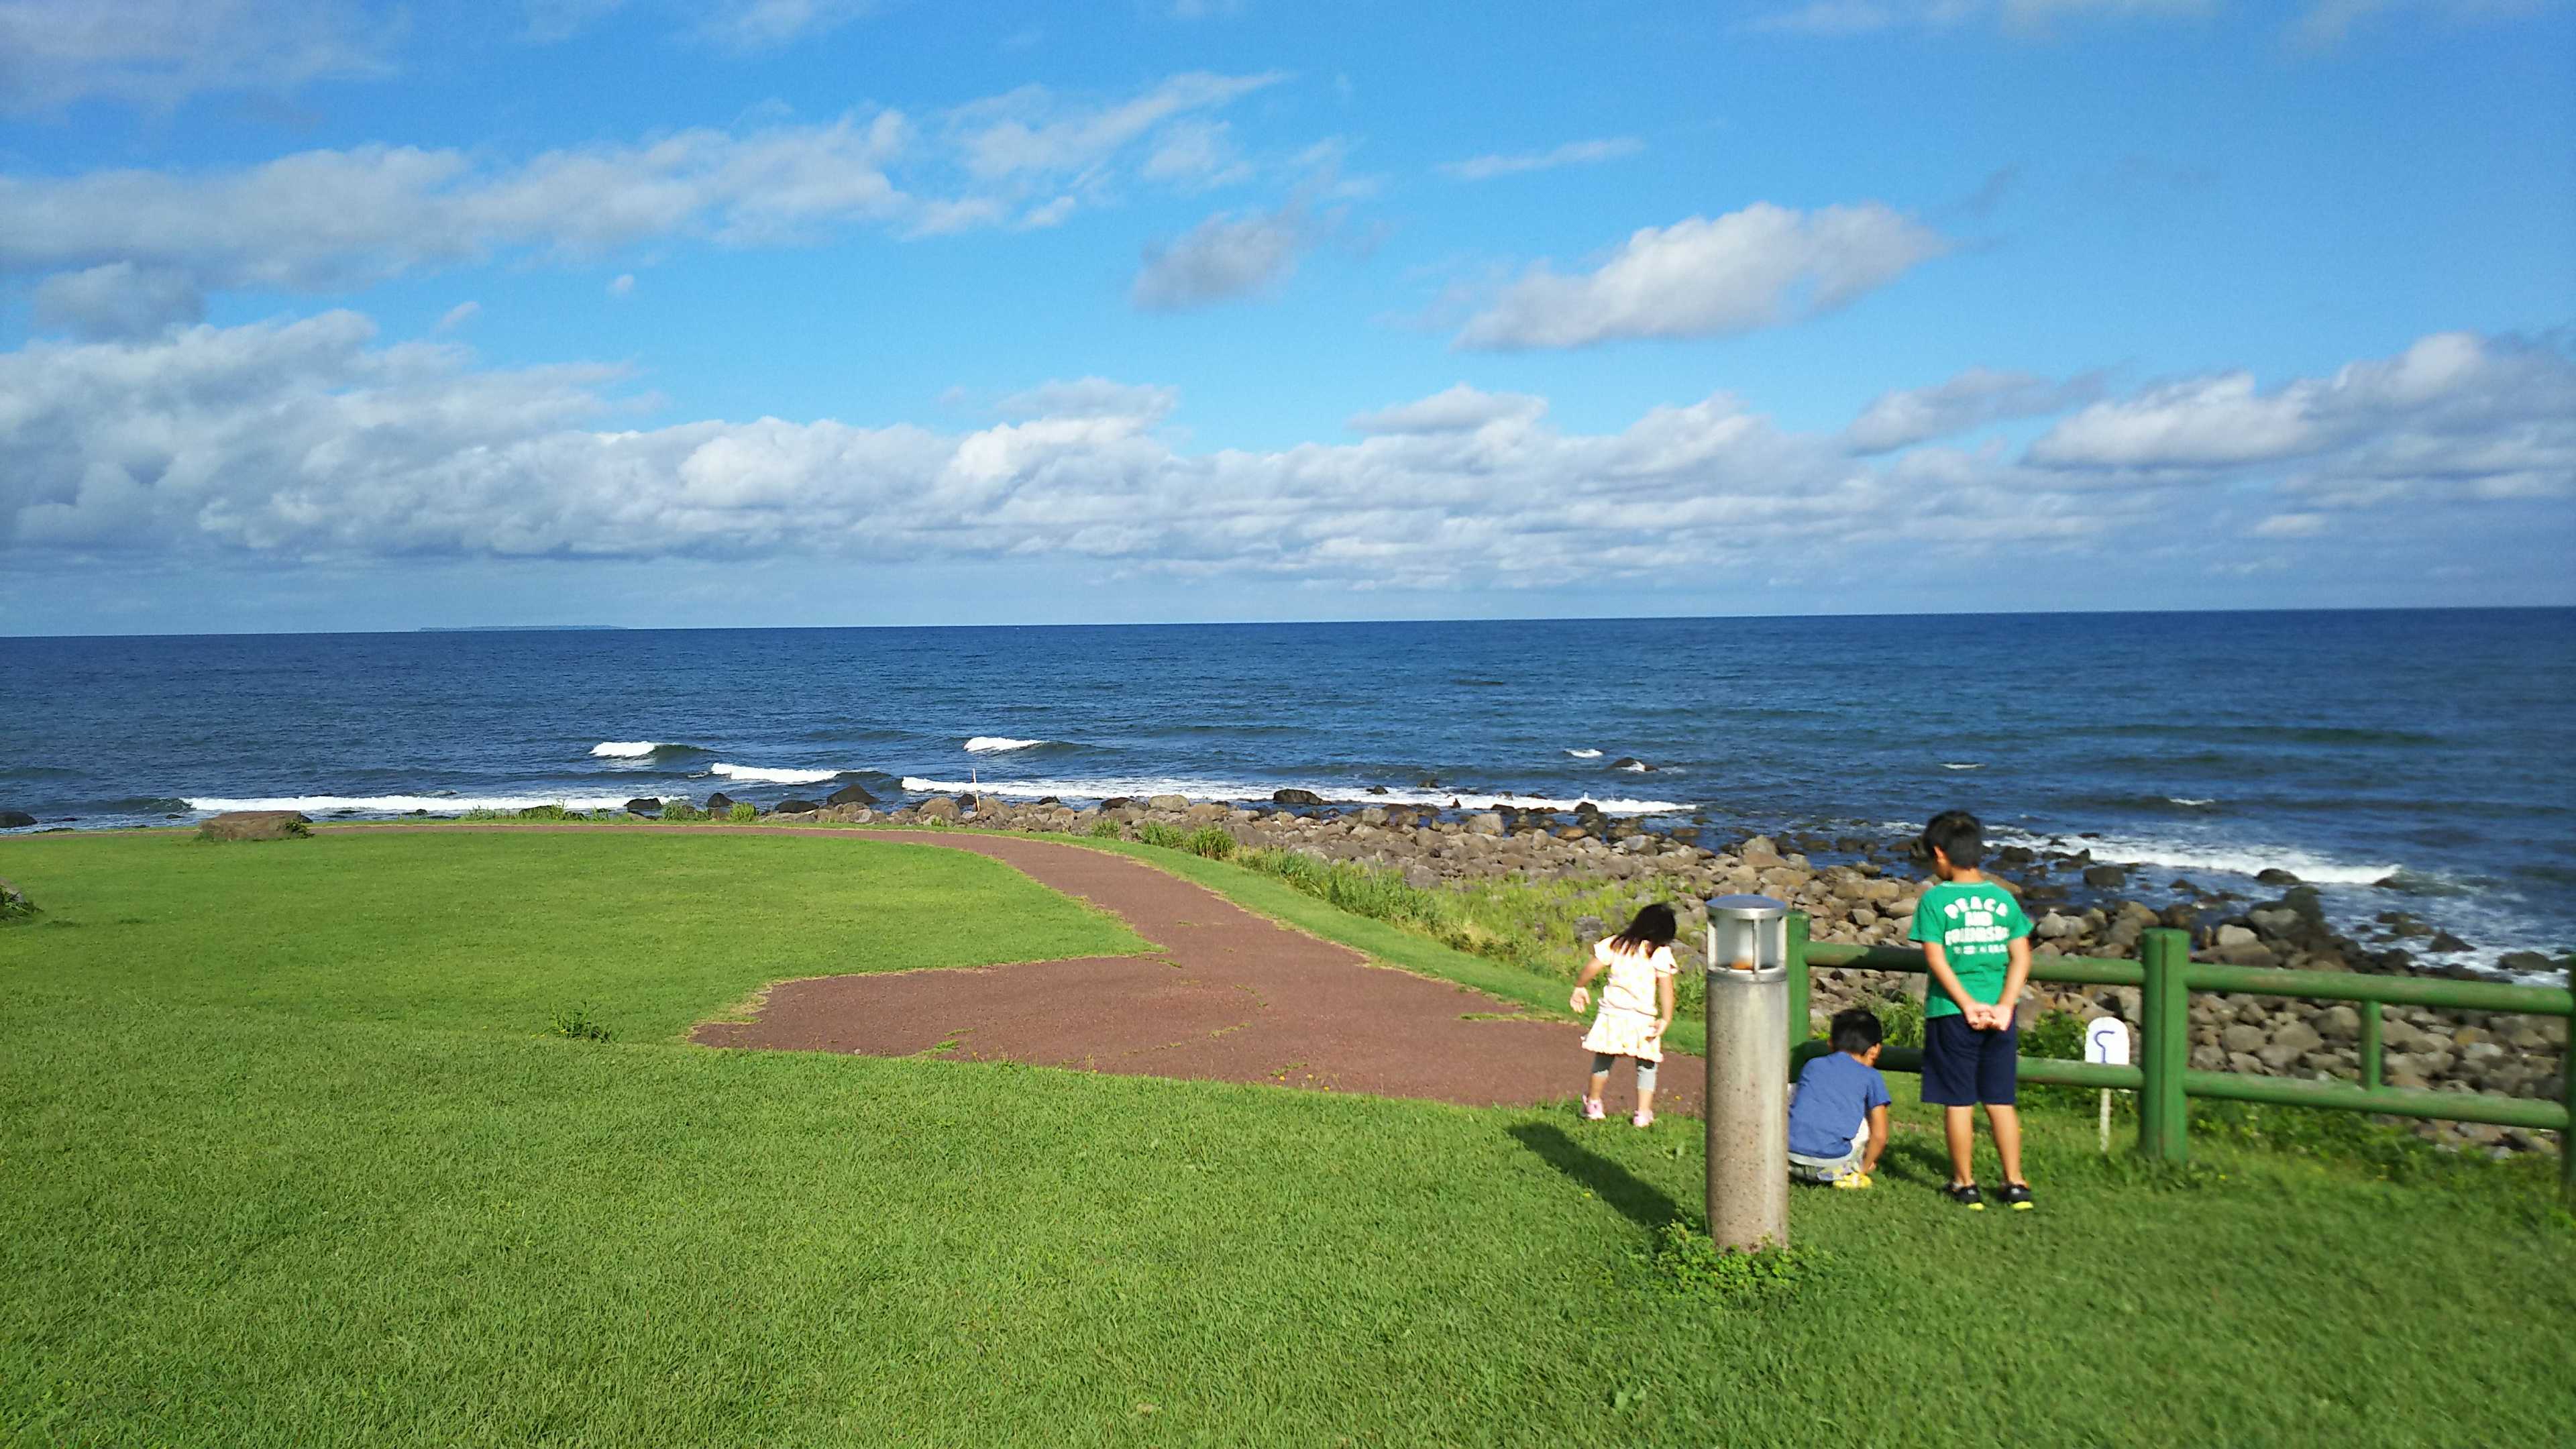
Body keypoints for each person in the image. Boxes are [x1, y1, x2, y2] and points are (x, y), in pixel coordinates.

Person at [1909, 809, 2036, 1210]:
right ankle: (2015, 1182)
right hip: (2000, 1016)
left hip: (1951, 1012)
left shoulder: (1935, 900)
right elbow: (2021, 957)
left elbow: (1937, 958)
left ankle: (1965, 1184)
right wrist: (2004, 1006)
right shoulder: (2002, 898)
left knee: (1959, 1101)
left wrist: (1965, 1005)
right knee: (2000, 1100)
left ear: (1940, 854)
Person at [1569, 903, 1678, 1127]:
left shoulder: (1617, 944)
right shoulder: (1660, 953)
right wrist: (1666, 1017)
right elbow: (1666, 989)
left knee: (1603, 1058)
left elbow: (1593, 967)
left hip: (1612, 1013)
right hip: (1643, 1017)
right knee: (1646, 1065)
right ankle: (1643, 1113)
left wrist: (1580, 986)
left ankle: (1594, 1103)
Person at [1787, 1008, 1892, 1187]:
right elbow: (1880, 1136)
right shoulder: (1871, 1076)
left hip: (1787, 1159)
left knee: (1793, 1091)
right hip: (1829, 1167)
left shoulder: (1813, 1065)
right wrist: (1864, 1168)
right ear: (1875, 1050)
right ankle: (1853, 1172)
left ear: (1830, 1043)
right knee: (1867, 1121)